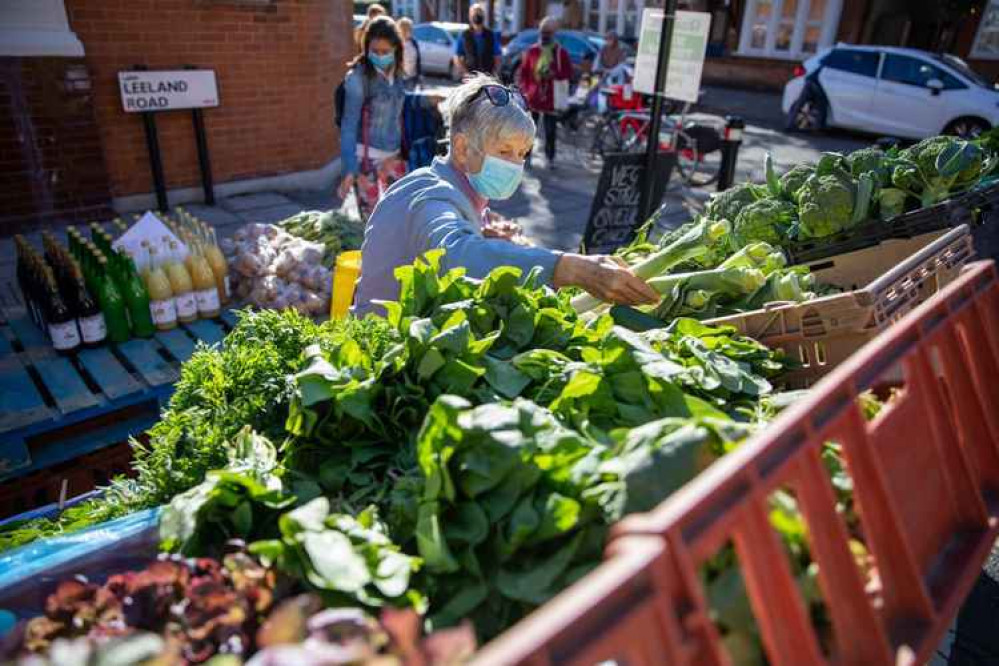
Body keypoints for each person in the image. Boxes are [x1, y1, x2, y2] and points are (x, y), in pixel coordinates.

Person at [352, 74, 657, 316]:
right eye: (503, 151)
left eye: (522, 154)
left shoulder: (437, 183)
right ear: (460, 148)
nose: (515, 165)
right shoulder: (434, 197)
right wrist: (568, 267)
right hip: (385, 355)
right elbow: (456, 254)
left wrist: (480, 232)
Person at [338, 16, 408, 220]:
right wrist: (350, 169)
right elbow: (348, 126)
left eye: (385, 52)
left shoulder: (399, 75)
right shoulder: (357, 79)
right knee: (373, 226)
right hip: (366, 163)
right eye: (374, 51)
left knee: (400, 221)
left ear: (396, 49)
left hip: (393, 158)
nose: (379, 56)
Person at [516, 17, 571, 169]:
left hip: (551, 100)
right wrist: (524, 92)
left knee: (550, 131)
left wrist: (554, 74)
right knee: (529, 131)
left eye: (548, 32)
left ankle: (550, 158)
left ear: (554, 33)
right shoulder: (532, 50)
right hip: (533, 98)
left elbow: (567, 73)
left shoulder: (560, 52)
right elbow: (524, 73)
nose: (544, 35)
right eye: (542, 31)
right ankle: (526, 158)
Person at [454, 3, 501, 77]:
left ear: (483, 16)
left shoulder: (491, 35)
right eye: (474, 13)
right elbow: (457, 57)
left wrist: (494, 73)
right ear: (470, 16)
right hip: (470, 77)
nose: (477, 15)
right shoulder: (464, 35)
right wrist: (465, 73)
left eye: (479, 12)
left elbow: (497, 57)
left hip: (487, 77)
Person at [398, 17, 421, 90]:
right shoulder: (396, 43)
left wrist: (419, 75)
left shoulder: (413, 42)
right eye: (408, 29)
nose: (410, 31)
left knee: (410, 98)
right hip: (400, 78)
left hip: (412, 77)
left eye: (411, 29)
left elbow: (418, 59)